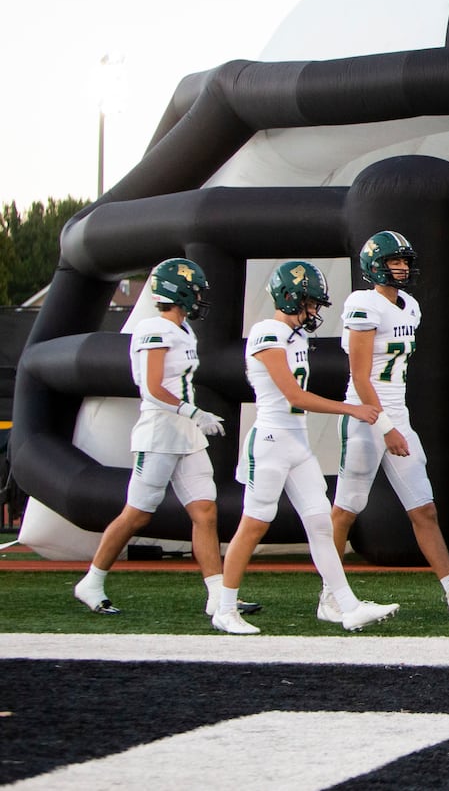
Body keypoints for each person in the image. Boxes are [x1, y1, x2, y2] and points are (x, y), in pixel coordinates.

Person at [211, 261, 400, 635]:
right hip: (269, 442)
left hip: (296, 443)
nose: (314, 311)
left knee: (319, 523)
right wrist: (351, 408)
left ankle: (344, 605)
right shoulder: (268, 332)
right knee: (254, 524)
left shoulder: (295, 337)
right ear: (291, 297)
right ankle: (224, 608)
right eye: (310, 303)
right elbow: (293, 394)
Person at [326, 231, 449, 620]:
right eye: (395, 261)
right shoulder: (362, 303)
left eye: (405, 260)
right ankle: (330, 595)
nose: (403, 267)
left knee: (423, 509)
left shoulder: (410, 306)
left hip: (397, 416)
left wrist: (395, 423)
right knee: (345, 510)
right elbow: (359, 376)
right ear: (376, 265)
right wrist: (385, 425)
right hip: (365, 417)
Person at [73, 258, 257, 618]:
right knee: (137, 514)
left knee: (205, 511)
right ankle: (91, 582)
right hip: (159, 432)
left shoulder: (184, 330)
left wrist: (191, 418)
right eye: (196, 289)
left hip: (185, 433)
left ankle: (218, 596)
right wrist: (195, 412)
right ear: (180, 290)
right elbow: (153, 389)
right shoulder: (154, 328)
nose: (201, 296)